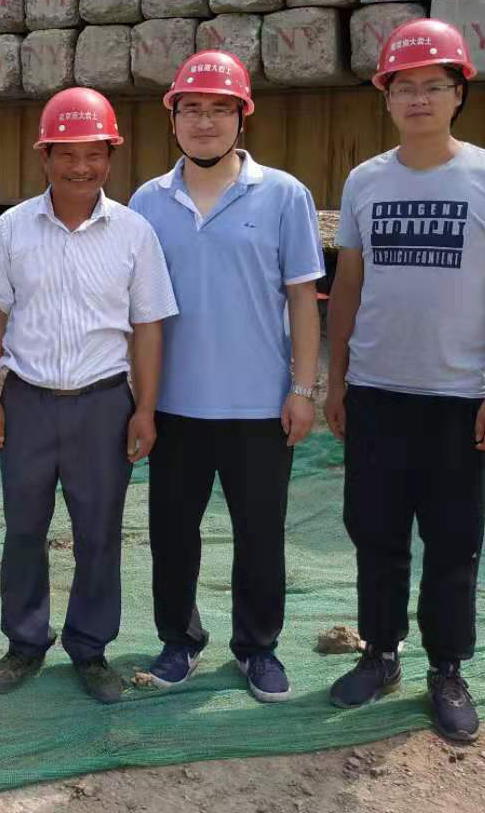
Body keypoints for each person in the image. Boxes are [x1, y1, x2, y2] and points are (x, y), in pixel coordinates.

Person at [324, 18, 485, 743]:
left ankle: (446, 669)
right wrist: (337, 381)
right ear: (386, 97)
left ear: (458, 94)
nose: (419, 99)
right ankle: (380, 654)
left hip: (457, 399)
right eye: (405, 87)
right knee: (375, 533)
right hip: (377, 394)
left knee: (452, 541)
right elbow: (347, 288)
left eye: (434, 86)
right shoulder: (366, 180)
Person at [127, 51, 323, 704]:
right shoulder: (148, 202)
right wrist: (141, 401)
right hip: (174, 404)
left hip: (259, 406)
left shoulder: (284, 195)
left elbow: (302, 299)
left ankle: (257, 647)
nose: (204, 121)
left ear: (243, 117)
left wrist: (302, 388)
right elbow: (137, 311)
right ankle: (179, 640)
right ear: (173, 119)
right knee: (172, 535)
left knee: (260, 535)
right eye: (191, 109)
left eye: (219, 109)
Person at [0, 87, 177, 704]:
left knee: (99, 530)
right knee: (23, 527)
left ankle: (90, 648)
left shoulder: (134, 233)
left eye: (94, 154)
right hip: (28, 401)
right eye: (67, 154)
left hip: (103, 404)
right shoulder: (12, 228)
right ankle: (24, 642)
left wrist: (145, 408)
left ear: (111, 157)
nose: (81, 167)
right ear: (45, 156)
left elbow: (148, 325)